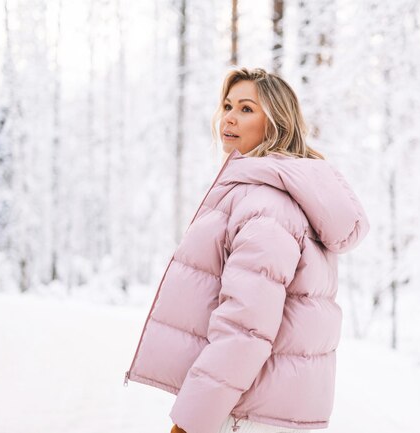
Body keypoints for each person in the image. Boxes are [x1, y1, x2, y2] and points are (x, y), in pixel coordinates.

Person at [123, 67, 370, 433]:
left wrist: (191, 422)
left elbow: (246, 326)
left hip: (250, 414)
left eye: (246, 109)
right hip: (273, 411)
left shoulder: (266, 204)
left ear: (277, 122)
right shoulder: (278, 193)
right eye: (227, 106)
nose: (230, 117)